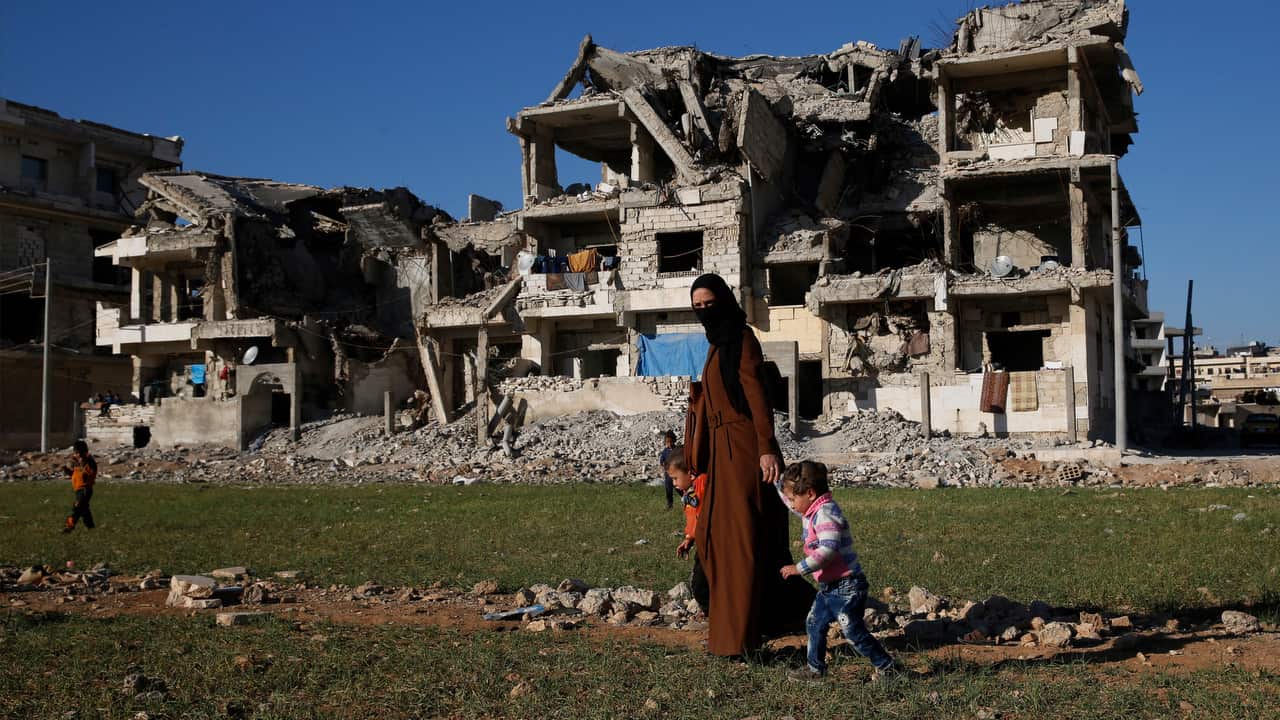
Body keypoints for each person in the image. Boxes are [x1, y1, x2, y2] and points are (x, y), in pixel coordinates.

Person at [684, 273, 813, 657]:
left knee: (737, 543)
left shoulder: (741, 340)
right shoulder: (715, 346)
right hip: (721, 456)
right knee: (712, 539)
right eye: (697, 307)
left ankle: (737, 640)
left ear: (724, 300)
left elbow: (758, 397)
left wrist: (767, 447)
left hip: (743, 452)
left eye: (710, 304)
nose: (705, 312)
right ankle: (753, 624)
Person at [778, 461, 897, 681]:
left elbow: (828, 550)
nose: (791, 505)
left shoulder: (826, 513)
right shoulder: (810, 510)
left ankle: (887, 667)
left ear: (810, 494)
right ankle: (815, 669)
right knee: (814, 623)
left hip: (848, 587)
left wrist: (799, 568)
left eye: (794, 499)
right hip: (829, 588)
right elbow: (788, 499)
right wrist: (776, 480)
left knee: (851, 630)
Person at [665, 446, 710, 613]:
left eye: (676, 479)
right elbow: (693, 519)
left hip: (711, 544)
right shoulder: (688, 493)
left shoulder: (701, 483)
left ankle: (714, 613)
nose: (675, 484)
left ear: (690, 474)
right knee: (699, 584)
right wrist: (689, 539)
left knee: (701, 585)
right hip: (701, 543)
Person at [62, 440, 97, 533]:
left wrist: (84, 466)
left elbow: (91, 474)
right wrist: (67, 470)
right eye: (77, 453)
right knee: (84, 509)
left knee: (77, 507)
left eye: (81, 453)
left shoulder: (90, 462)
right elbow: (73, 474)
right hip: (77, 489)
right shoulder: (75, 462)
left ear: (85, 452)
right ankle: (91, 527)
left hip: (85, 489)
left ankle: (69, 526)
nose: (79, 455)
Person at [658, 430, 677, 509]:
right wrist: (665, 467)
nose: (669, 444)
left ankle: (687, 502)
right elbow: (661, 461)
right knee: (668, 490)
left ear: (674, 441)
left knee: (680, 489)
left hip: (676, 474)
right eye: (667, 442)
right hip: (668, 474)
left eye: (670, 442)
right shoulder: (665, 452)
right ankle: (670, 505)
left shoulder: (677, 450)